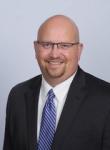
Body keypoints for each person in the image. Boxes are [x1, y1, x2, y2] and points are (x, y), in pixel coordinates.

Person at [3, 15, 110, 150]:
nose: (54, 54)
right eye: (46, 45)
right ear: (36, 48)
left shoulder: (106, 99)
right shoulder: (17, 95)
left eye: (65, 46)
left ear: (79, 50)